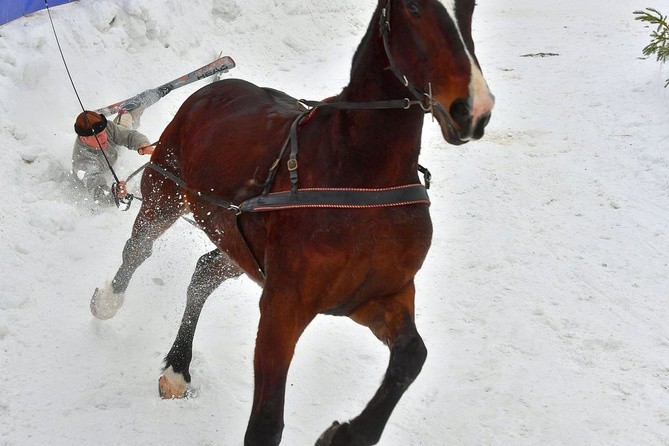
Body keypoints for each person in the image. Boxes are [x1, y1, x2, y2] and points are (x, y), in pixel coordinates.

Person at [72, 110, 154, 206]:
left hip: (114, 151)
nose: (104, 138)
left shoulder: (106, 129)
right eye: (98, 136)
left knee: (127, 120)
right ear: (83, 138)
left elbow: (128, 136)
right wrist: (116, 194)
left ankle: (128, 110)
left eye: (104, 133)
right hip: (92, 191)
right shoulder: (84, 162)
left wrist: (143, 145)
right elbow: (100, 195)